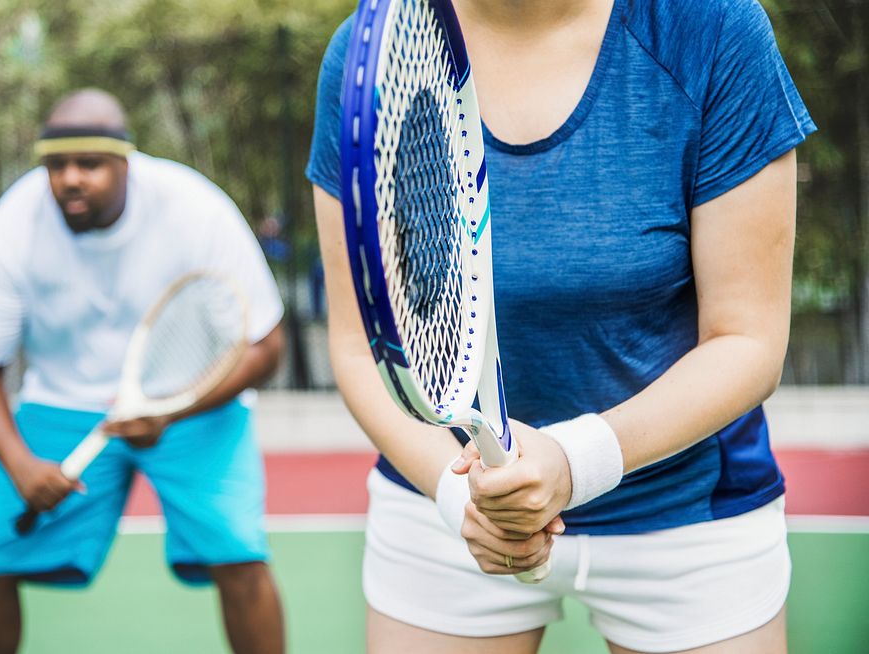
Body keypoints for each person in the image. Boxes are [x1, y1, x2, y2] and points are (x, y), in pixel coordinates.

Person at [306, 1, 815, 652]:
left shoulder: (712, 28)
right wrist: (462, 501)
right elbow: (360, 345)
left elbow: (747, 342)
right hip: (451, 511)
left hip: (685, 511)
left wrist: (574, 462)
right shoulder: (369, 55)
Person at [0, 89, 286, 654]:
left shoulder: (193, 208)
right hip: (61, 404)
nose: (70, 179)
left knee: (239, 554)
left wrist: (170, 409)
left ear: (126, 163)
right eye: (56, 165)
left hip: (189, 406)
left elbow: (264, 348)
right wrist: (19, 463)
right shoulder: (12, 225)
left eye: (89, 164)